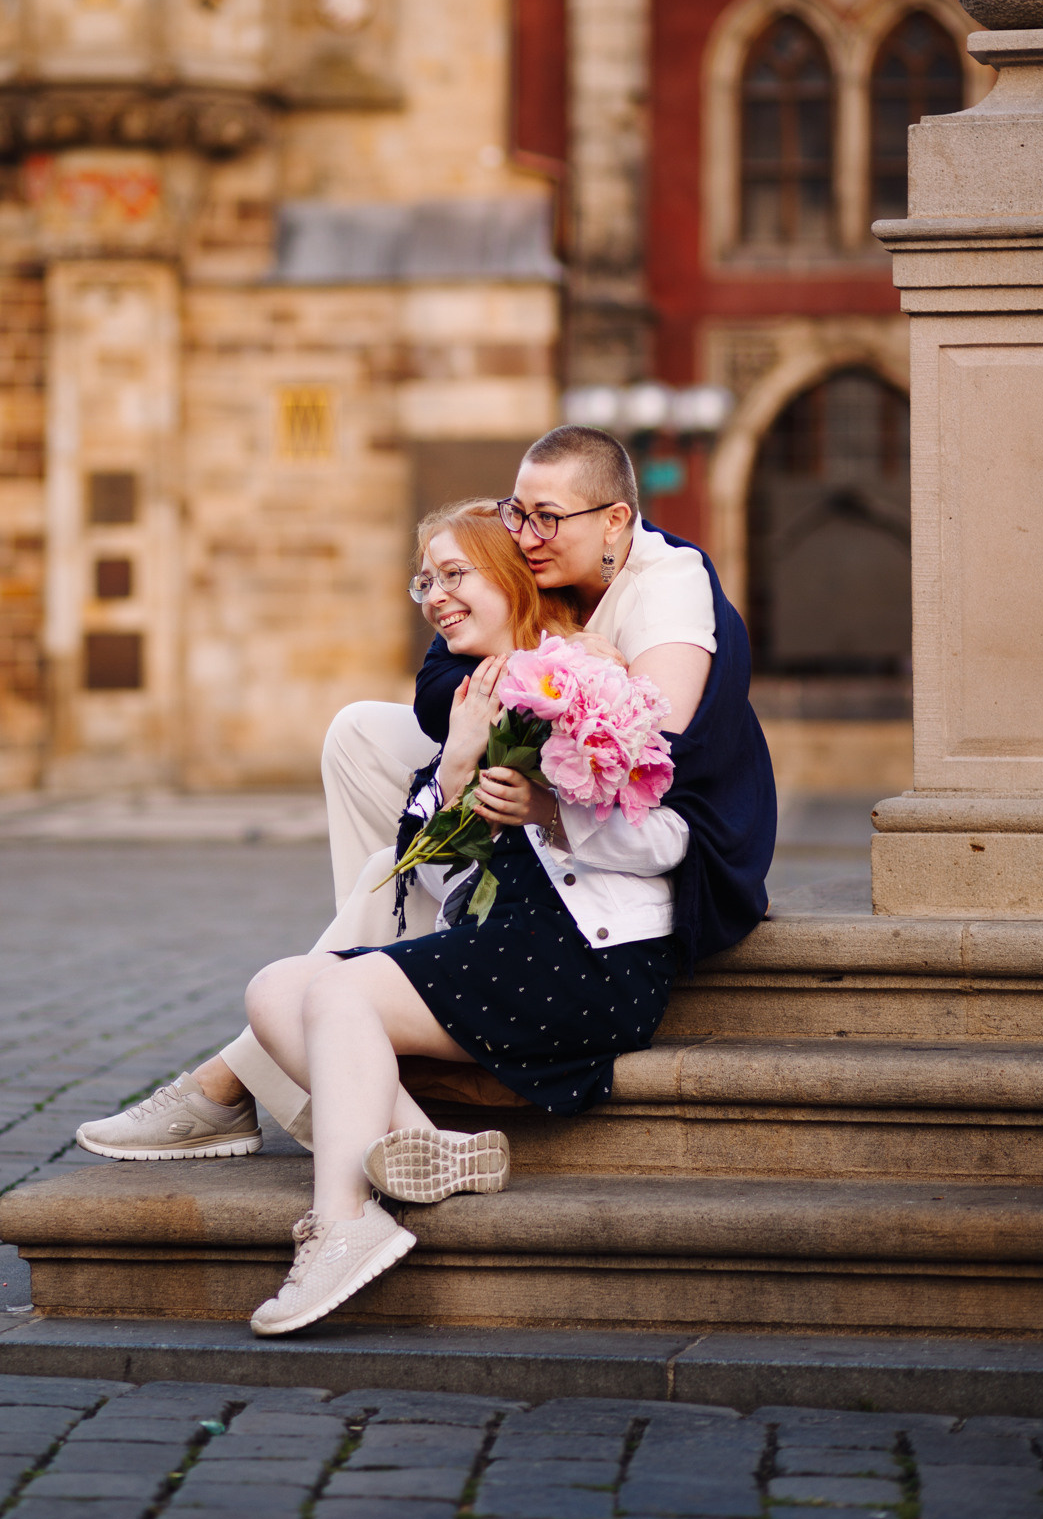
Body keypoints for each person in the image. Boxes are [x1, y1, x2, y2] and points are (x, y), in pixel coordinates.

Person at [75, 425, 774, 1159]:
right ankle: (392, 970)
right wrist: (507, 687)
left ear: (613, 520)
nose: (525, 533)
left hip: (679, 838)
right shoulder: (532, 557)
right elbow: (435, 687)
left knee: (385, 880)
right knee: (358, 739)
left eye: (546, 516)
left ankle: (255, 1073)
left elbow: (650, 749)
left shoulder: (666, 584)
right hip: (550, 793)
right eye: (516, 510)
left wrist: (555, 678)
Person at [239, 500, 698, 1335]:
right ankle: (429, 1145)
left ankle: (343, 1223)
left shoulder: (587, 675)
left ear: (507, 576)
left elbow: (667, 841)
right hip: (499, 941)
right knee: (275, 989)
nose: (433, 596)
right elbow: (427, 852)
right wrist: (456, 756)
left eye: (454, 575)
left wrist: (548, 811)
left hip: (584, 957)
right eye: (426, 579)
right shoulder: (470, 691)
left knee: (339, 995)